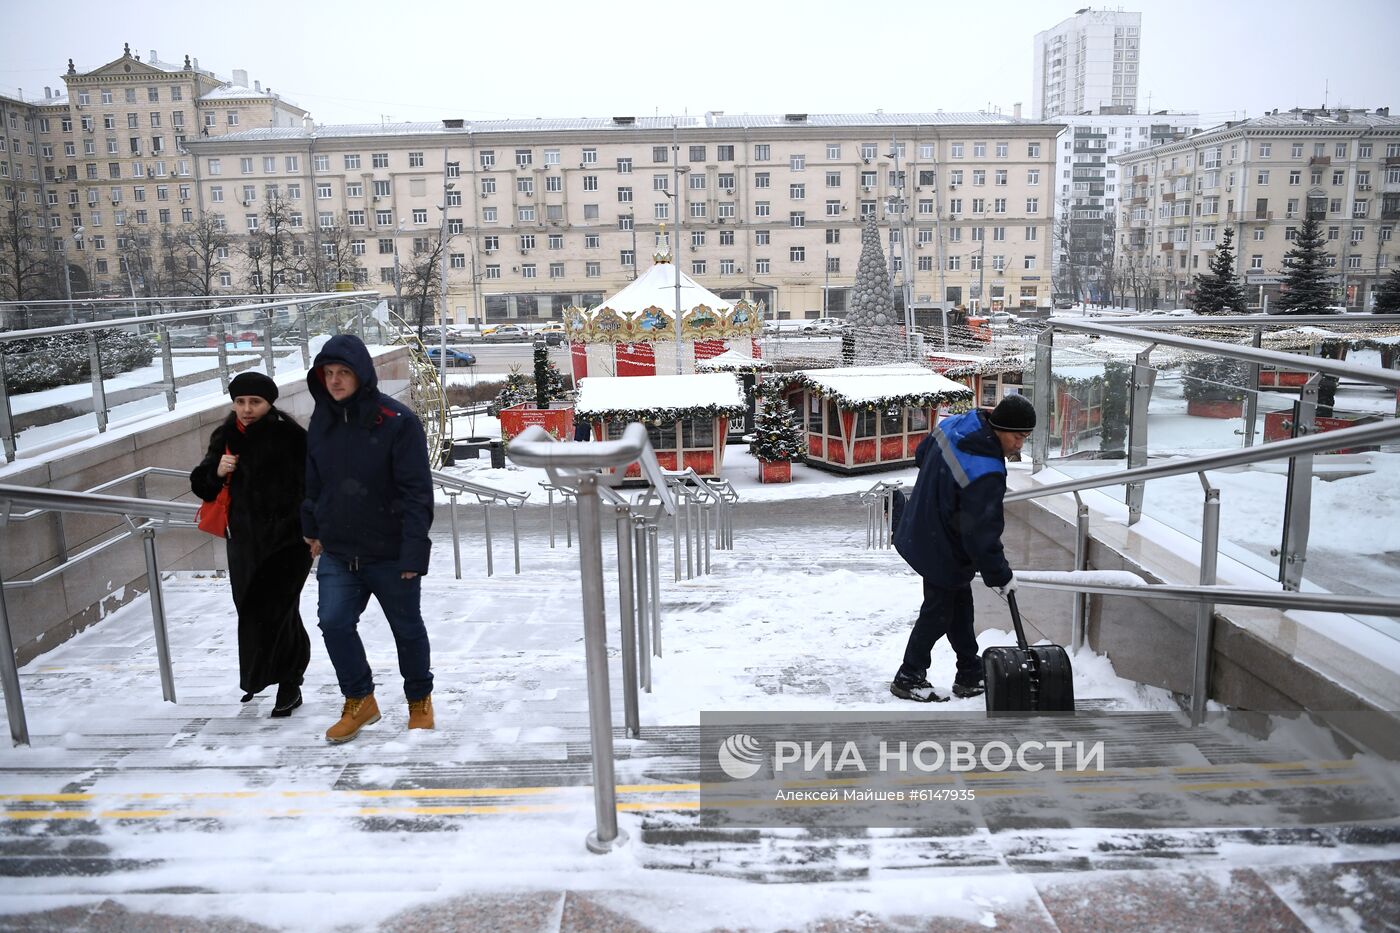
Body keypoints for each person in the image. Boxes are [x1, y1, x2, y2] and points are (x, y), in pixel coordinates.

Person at [302, 335, 436, 743]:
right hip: (340, 551)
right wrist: (311, 528)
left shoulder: (396, 421)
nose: (336, 382)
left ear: (362, 374)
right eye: (329, 374)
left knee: (406, 629)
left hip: (391, 552)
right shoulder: (321, 420)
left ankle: (419, 700)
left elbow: (417, 492)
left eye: (344, 373)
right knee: (333, 622)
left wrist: (414, 551)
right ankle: (360, 699)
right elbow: (312, 482)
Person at [890, 393, 1036, 703]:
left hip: (925, 524)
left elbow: (921, 454)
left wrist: (945, 492)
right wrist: (1000, 574)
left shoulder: (959, 423)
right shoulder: (986, 471)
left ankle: (969, 673)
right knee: (939, 612)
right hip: (942, 544)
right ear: (998, 427)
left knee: (959, 608)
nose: (1019, 445)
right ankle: (909, 675)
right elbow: (982, 533)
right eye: (1017, 436)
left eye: (1025, 438)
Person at [190, 371, 311, 717]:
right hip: (243, 542)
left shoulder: (290, 437)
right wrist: (215, 471)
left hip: (288, 542)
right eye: (240, 401)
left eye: (254, 402)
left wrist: (311, 531)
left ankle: (288, 682)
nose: (246, 409)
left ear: (269, 402)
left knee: (276, 610)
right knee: (249, 607)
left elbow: (312, 486)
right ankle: (265, 676)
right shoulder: (225, 435)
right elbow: (202, 485)